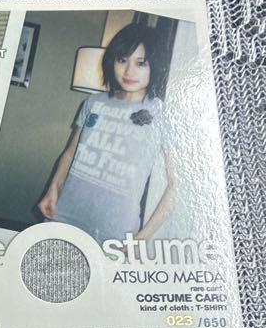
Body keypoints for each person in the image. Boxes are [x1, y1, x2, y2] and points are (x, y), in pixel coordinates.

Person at [37, 23, 176, 243]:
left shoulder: (162, 114)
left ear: (155, 65)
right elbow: (70, 153)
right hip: (64, 215)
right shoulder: (93, 102)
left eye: (140, 63)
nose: (129, 72)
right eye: (122, 60)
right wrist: (53, 189)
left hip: (114, 232)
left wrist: (142, 239)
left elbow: (176, 184)